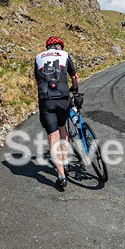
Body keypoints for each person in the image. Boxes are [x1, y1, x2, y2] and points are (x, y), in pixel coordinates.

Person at [35, 36, 79, 190]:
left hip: (46, 99)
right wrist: (75, 88)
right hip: (63, 98)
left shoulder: (38, 57)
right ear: (59, 46)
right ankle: (65, 161)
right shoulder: (65, 54)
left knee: (52, 137)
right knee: (62, 128)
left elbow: (37, 81)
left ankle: (61, 176)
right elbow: (74, 76)